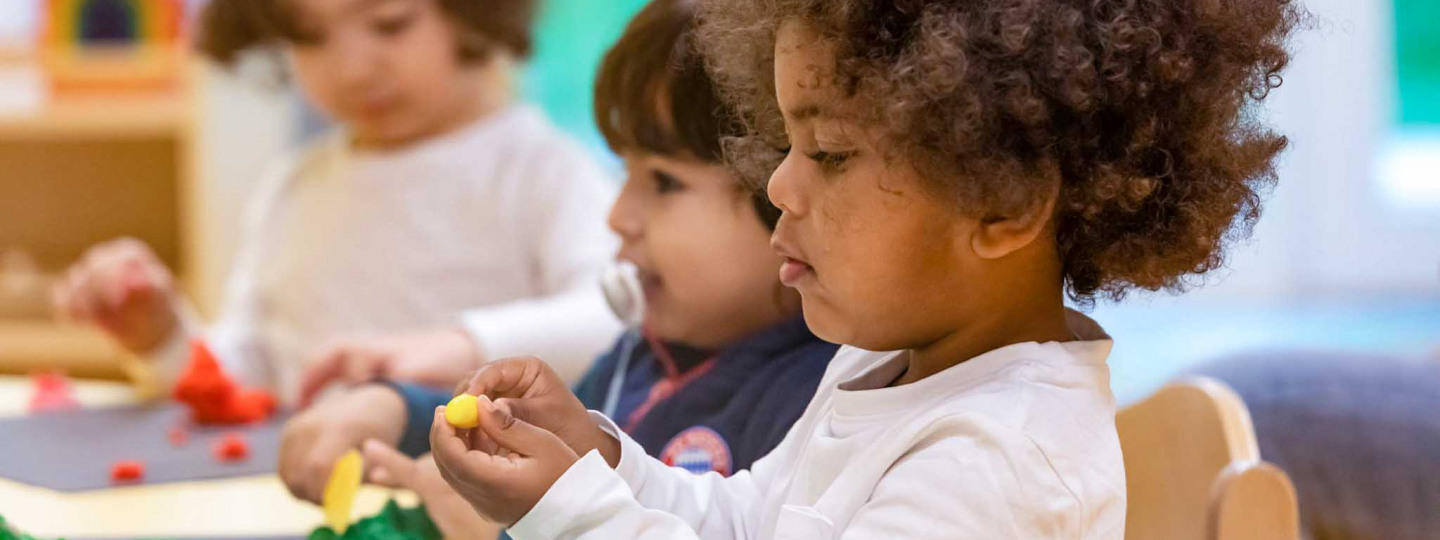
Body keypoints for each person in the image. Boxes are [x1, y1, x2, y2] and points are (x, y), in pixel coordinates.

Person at [424, 0, 1307, 538]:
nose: (777, 185)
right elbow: (745, 523)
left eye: (831, 155)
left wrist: (569, 511)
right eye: (787, 145)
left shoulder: (998, 463)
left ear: (1001, 201)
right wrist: (599, 457)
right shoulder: (890, 361)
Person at [277, 0, 838, 529]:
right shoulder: (638, 358)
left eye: (664, 182)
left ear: (787, 194)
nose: (618, 217)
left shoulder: (818, 404)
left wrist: (510, 531)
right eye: (626, 175)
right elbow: (512, 429)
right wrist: (396, 409)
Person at [49, 0, 621, 405]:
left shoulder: (541, 169)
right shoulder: (293, 186)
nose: (352, 67)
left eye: (388, 23)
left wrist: (461, 346)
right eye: (309, 35)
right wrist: (161, 338)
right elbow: (244, 376)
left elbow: (617, 318)